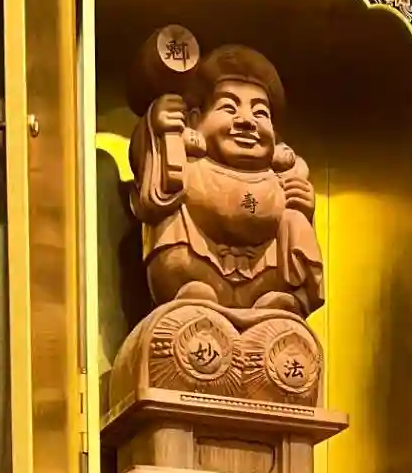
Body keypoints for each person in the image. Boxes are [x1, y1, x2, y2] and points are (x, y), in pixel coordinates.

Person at [130, 41, 324, 316]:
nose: (247, 120)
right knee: (172, 204)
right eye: (229, 108)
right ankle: (187, 291)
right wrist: (160, 127)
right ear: (195, 119)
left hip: (265, 276)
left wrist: (303, 207)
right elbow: (150, 179)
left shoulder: (281, 173)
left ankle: (286, 300)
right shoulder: (189, 160)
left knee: (294, 220)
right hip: (197, 269)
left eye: (260, 113)